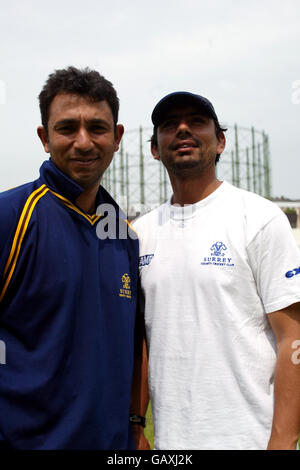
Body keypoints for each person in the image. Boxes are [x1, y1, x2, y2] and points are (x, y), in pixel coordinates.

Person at [132, 91, 300, 450]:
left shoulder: (258, 218)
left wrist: (283, 442)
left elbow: (293, 338)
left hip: (247, 440)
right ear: (154, 149)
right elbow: (143, 343)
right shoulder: (140, 235)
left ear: (220, 141)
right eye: (168, 125)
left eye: (196, 121)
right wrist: (136, 426)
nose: (182, 129)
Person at [0, 66, 139, 449]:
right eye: (66, 128)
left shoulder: (125, 237)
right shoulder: (10, 217)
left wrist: (135, 424)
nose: (83, 142)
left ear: (117, 138)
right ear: (45, 138)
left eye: (97, 128)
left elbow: (130, 347)